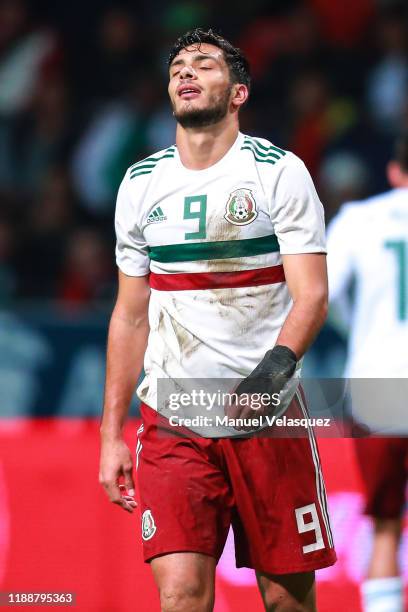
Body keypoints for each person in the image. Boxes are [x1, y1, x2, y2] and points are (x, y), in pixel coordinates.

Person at [99, 28, 336, 612]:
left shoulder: (279, 173)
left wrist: (269, 377)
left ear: (238, 93)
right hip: (174, 421)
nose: (186, 73)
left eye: (204, 65)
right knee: (181, 594)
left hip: (268, 419)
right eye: (179, 65)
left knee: (286, 599)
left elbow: (312, 296)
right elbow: (131, 316)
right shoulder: (140, 184)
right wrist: (110, 434)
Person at [327, 133, 408, 612]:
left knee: (384, 525)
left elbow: (323, 295)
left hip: (378, 383)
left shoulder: (359, 220)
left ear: (395, 171)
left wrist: (358, 328)